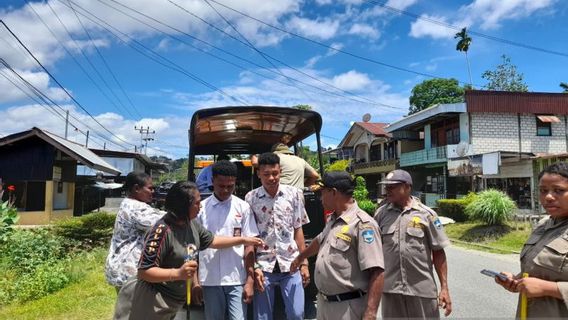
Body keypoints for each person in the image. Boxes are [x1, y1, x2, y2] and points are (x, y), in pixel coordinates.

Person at [114, 181, 264, 320]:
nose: (200, 206)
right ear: (184, 205)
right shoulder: (161, 231)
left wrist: (243, 240)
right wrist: (177, 273)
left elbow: (213, 240)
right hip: (152, 301)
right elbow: (144, 271)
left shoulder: (191, 225)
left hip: (173, 301)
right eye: (197, 203)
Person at [290, 171, 385, 320]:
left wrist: (371, 312)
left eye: (323, 192)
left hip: (347, 308)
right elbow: (319, 240)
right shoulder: (333, 219)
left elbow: (377, 271)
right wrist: (300, 258)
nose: (320, 198)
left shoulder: (363, 225)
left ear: (333, 192)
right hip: (325, 304)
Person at [374, 169, 452, 319]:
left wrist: (444, 288)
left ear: (407, 187)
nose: (387, 190)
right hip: (391, 290)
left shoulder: (427, 214)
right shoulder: (381, 214)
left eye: (393, 186)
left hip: (421, 289)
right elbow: (373, 252)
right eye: (386, 187)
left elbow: (438, 252)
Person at [495, 162, 568, 318]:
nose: (548, 197)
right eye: (543, 191)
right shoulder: (543, 225)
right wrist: (517, 281)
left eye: (559, 191)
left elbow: (545, 284)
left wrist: (550, 288)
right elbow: (542, 271)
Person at [245, 152, 310, 320]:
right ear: (259, 173)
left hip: (291, 263)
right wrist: (253, 269)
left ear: (280, 171)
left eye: (275, 173)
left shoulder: (295, 194)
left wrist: (304, 263)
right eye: (266, 174)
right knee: (263, 316)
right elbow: (250, 237)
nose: (272, 178)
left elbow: (298, 230)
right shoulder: (250, 198)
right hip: (263, 266)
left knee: (297, 313)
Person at [195, 160, 259, 319]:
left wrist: (250, 280)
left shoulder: (243, 208)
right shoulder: (201, 209)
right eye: (221, 186)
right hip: (209, 279)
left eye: (230, 186)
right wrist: (194, 281)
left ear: (235, 182)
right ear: (212, 181)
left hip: (236, 278)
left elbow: (249, 246)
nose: (225, 190)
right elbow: (191, 247)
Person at [105, 171, 165, 290]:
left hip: (121, 266)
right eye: (150, 188)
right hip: (129, 268)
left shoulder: (128, 203)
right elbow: (162, 223)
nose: (153, 192)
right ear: (136, 188)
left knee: (128, 306)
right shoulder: (136, 207)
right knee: (135, 307)